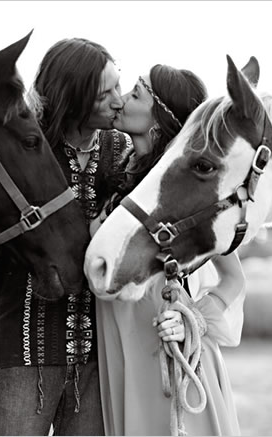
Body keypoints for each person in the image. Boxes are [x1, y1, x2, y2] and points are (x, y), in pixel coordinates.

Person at [0, 38, 129, 436]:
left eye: (120, 85)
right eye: (105, 93)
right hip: (23, 352)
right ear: (74, 97)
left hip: (100, 360)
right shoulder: (24, 151)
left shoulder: (124, 152)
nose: (120, 100)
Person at [91, 65, 246, 436]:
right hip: (120, 346)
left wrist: (193, 320)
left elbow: (234, 280)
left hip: (170, 353)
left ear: (158, 119)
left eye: (136, 94)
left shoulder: (183, 195)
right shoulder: (118, 182)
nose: (122, 100)